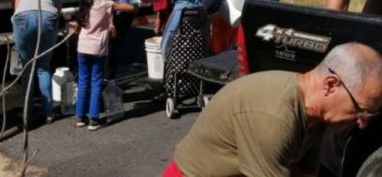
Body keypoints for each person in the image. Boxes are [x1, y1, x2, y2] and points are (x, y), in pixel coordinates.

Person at [164, 42, 382, 177]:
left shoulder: (318, 115)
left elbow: (304, 174)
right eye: (361, 109)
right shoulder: (275, 116)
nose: (363, 123)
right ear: (331, 85)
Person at [73, 0, 135, 130]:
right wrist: (114, 4)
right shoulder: (106, 4)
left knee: (83, 82)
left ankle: (80, 117)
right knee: (96, 83)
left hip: (83, 47)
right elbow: (130, 7)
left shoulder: (84, 4)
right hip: (99, 49)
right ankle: (94, 119)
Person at [63, 0, 134, 80]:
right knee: (108, 51)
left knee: (107, 51)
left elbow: (107, 1)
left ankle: (105, 85)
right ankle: (104, 84)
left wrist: (110, 23)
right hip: (121, 11)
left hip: (120, 13)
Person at [11, 0, 63, 125]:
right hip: (48, 17)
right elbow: (58, 10)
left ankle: (27, 112)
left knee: (28, 67)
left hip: (23, 18)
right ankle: (49, 113)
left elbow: (16, 7)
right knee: (43, 67)